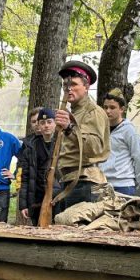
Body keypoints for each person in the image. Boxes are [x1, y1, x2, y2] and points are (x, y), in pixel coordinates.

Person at [52, 60, 110, 213]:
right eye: (65, 85)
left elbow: (96, 148)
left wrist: (70, 128)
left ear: (86, 87)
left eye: (74, 84)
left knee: (76, 233)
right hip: (69, 182)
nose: (68, 89)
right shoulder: (73, 112)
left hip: (84, 184)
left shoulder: (93, 112)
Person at [101, 87, 140, 196]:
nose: (108, 111)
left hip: (123, 186)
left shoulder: (129, 130)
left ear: (122, 109)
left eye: (112, 107)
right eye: (105, 107)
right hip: (101, 184)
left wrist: (137, 181)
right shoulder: (101, 129)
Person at [18, 108, 56, 226]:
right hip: (36, 198)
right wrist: (23, 204)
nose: (46, 126)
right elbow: (25, 177)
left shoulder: (62, 144)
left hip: (56, 199)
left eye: (49, 122)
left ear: (55, 123)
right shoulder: (30, 147)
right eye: (42, 123)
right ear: (38, 125)